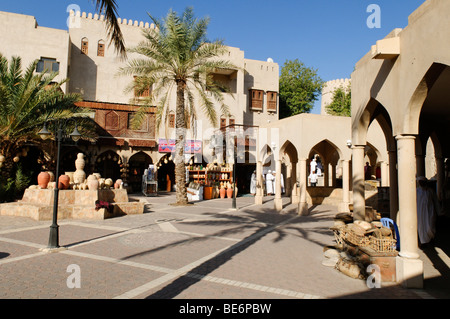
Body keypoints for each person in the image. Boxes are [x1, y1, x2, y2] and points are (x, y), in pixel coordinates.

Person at [416, 176, 437, 245]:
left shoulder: (430, 191)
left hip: (430, 211)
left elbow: (435, 201)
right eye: (420, 182)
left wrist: (440, 212)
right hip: (420, 212)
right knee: (421, 226)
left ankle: (431, 239)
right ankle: (423, 242)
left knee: (430, 226)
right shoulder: (417, 191)